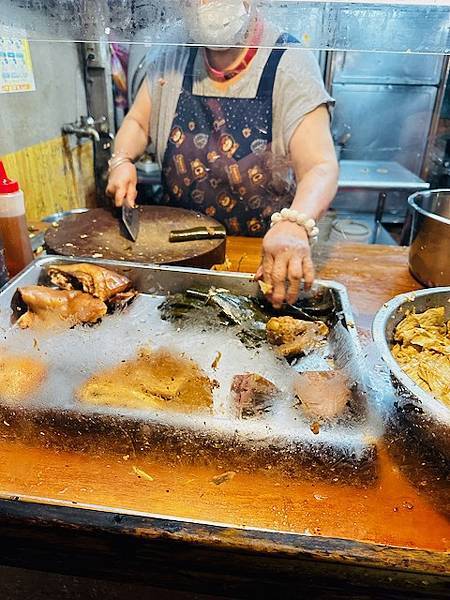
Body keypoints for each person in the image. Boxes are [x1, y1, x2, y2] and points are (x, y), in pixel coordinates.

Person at [106, 0, 338, 308]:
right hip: (178, 256)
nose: (209, 4)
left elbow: (321, 166)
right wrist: (122, 159)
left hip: (259, 259)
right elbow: (138, 121)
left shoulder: (287, 61)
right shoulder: (171, 55)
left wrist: (295, 223)